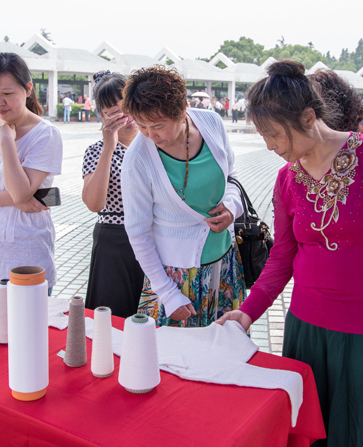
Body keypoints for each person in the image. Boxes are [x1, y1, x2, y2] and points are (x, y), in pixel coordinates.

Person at [217, 60, 363, 447]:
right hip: (307, 330)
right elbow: (282, 256)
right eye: (263, 136)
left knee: (362, 440)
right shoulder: (287, 179)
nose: (269, 146)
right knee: (308, 441)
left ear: (307, 118)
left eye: (274, 134)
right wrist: (247, 312)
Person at [120, 66, 246, 327]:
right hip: (174, 277)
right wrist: (167, 293)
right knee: (177, 349)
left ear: (182, 110)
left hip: (224, 261)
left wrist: (232, 207)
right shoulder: (137, 159)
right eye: (141, 125)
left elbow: (231, 176)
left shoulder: (211, 123)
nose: (150, 135)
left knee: (223, 344)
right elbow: (138, 232)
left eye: (158, 126)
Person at [0, 52, 63, 291]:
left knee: (27, 316)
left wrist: (6, 141)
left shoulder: (45, 134)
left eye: (7, 93)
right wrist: (16, 201)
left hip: (26, 259)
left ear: (28, 89)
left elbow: (20, 192)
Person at [81, 71, 144, 318]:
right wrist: (109, 146)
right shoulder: (95, 151)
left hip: (152, 237)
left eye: (128, 106)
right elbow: (94, 204)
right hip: (113, 242)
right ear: (102, 115)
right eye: (115, 111)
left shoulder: (154, 143)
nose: (126, 116)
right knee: (112, 320)